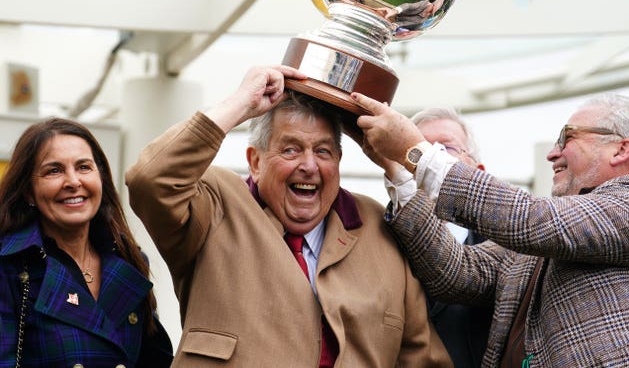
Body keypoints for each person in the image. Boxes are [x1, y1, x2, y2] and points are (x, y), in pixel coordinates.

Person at [125, 65, 453, 367]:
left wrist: (394, 163)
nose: (309, 166)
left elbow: (421, 358)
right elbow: (149, 179)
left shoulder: (378, 226)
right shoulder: (216, 203)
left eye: (323, 152)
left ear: (338, 162)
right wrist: (240, 104)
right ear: (255, 161)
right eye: (291, 149)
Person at [351, 91, 629, 367]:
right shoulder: (540, 243)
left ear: (621, 149)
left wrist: (417, 153)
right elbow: (459, 272)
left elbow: (529, 218)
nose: (552, 154)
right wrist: (399, 171)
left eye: (567, 137)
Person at [0, 118, 173, 367]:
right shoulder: (10, 267)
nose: (73, 182)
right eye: (54, 170)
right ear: (29, 191)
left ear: (100, 178)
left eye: (83, 167)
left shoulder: (128, 259)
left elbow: (155, 360)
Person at [363, 107, 492, 368]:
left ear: (477, 171)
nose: (428, 160)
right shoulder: (374, 242)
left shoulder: (506, 249)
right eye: (415, 149)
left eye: (445, 149)